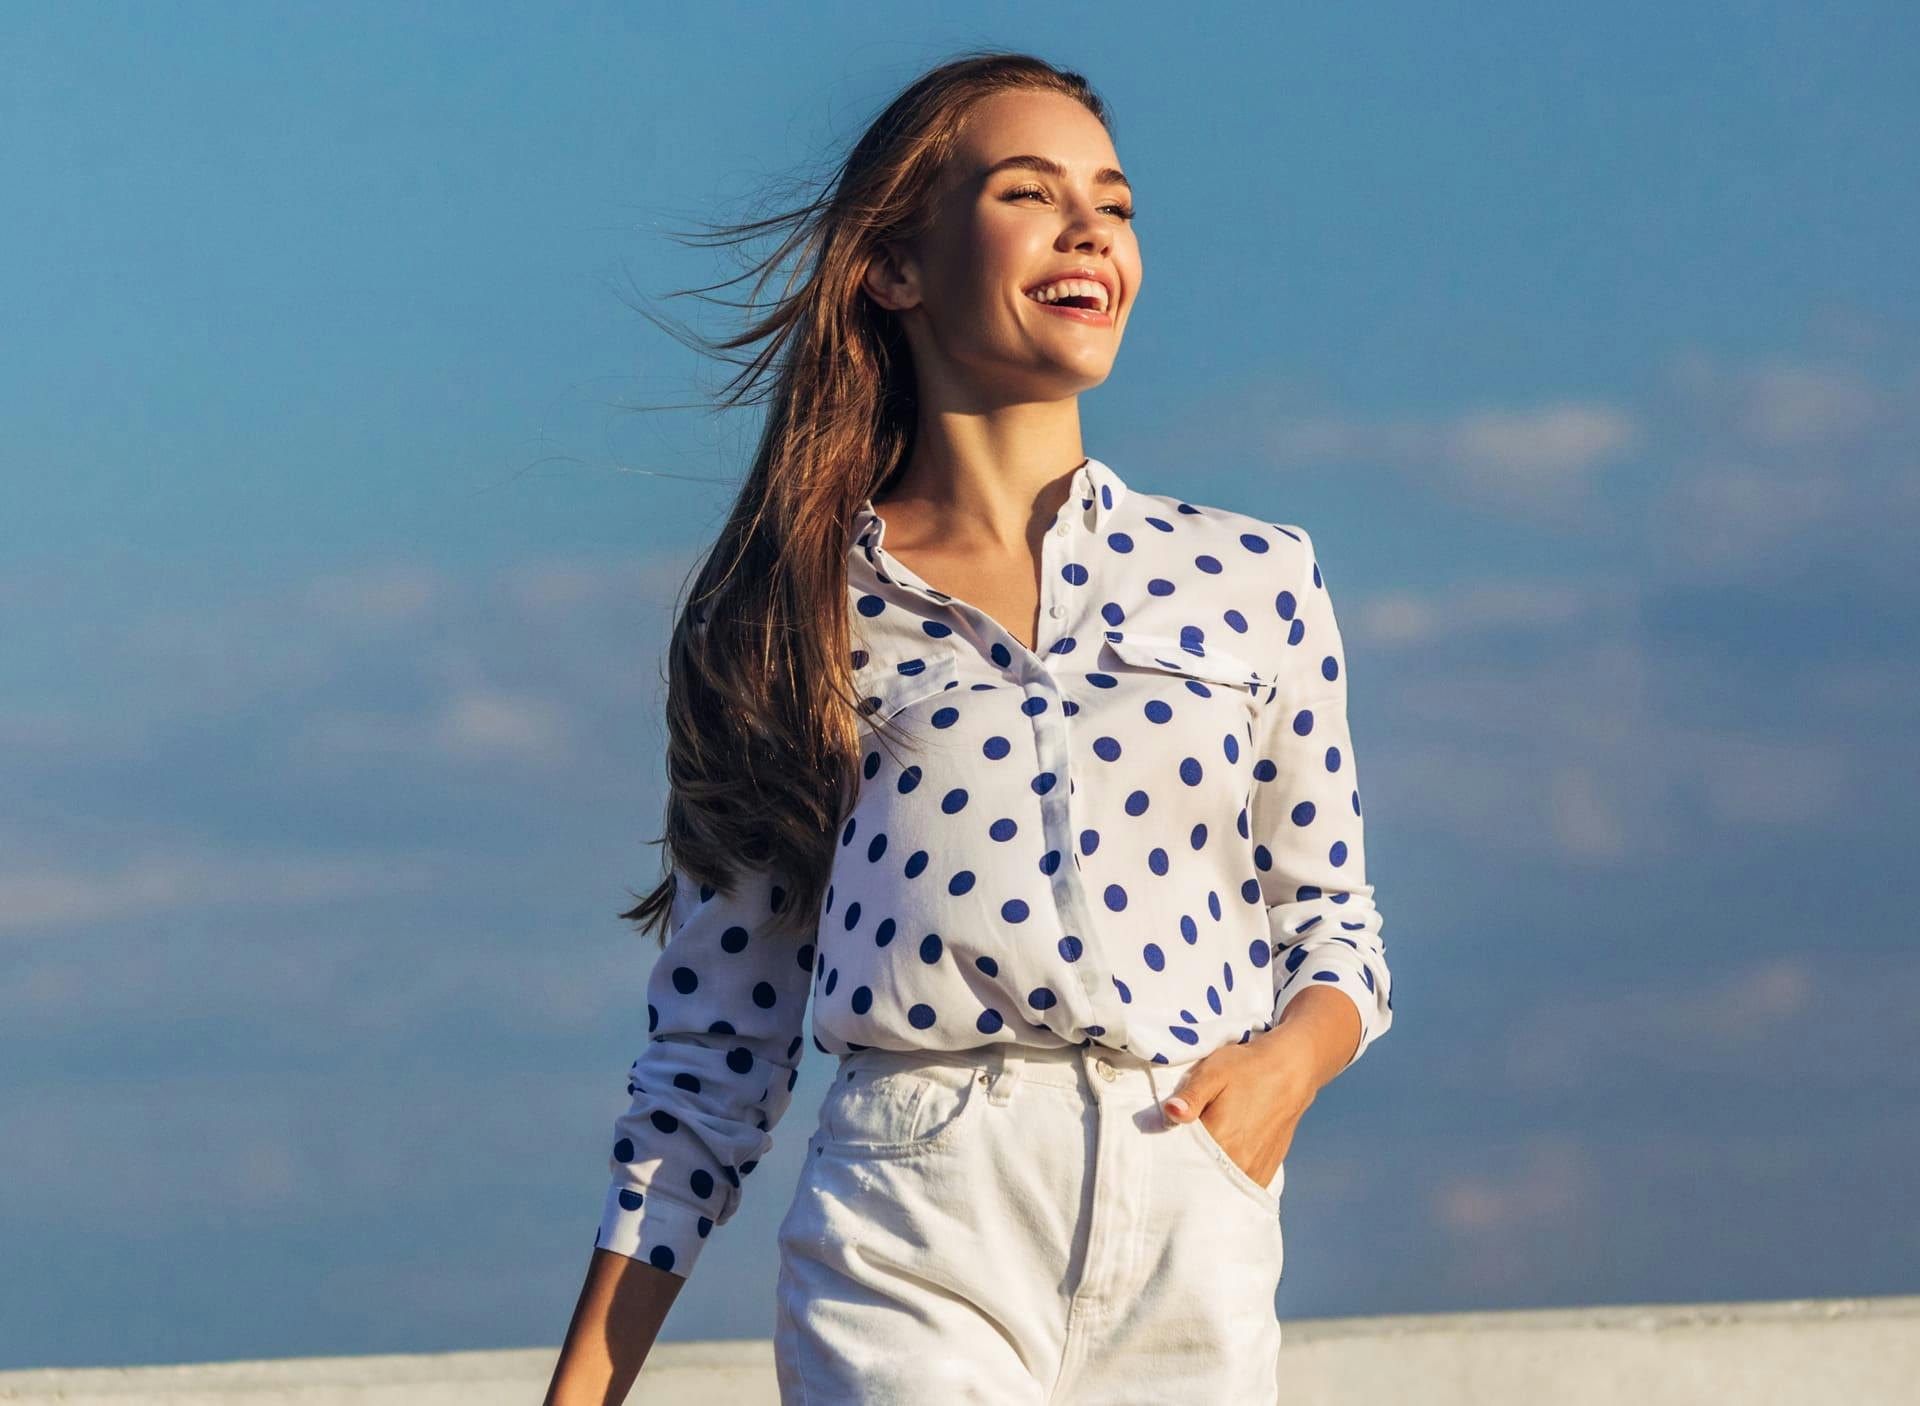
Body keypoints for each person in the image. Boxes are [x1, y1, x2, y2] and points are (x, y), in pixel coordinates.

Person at [545, 49, 1395, 1406]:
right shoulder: (788, 618)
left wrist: (1282, 1071)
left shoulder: (1258, 576)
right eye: (1028, 191)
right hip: (916, 1209)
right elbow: (717, 1044)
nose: (1091, 230)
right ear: (893, 267)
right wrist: (586, 1383)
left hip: (1194, 1196)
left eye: (1113, 204)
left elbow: (1337, 925)